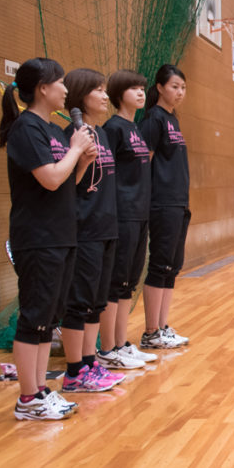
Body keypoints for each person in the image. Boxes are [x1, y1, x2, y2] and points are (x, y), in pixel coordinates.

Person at [0, 57, 94, 420]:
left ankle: (40, 391)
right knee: (34, 318)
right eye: (60, 83)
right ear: (43, 88)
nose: (66, 90)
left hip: (62, 234)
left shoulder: (54, 130)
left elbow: (68, 182)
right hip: (38, 238)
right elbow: (50, 179)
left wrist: (82, 160)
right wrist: (73, 151)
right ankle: (28, 398)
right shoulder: (26, 129)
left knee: (48, 320)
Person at [60, 69, 126, 394]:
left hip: (106, 229)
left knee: (97, 303)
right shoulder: (71, 136)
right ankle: (74, 372)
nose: (104, 96)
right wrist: (81, 160)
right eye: (97, 90)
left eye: (104, 90)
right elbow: (63, 187)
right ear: (81, 95)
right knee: (79, 301)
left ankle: (90, 362)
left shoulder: (102, 133)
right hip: (83, 230)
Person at [97, 70, 156, 371]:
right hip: (121, 214)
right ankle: (107, 348)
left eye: (142, 88)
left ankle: (121, 343)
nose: (140, 93)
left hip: (140, 213)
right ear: (119, 94)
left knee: (128, 282)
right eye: (133, 88)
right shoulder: (113, 128)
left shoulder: (136, 130)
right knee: (115, 282)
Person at [139, 64, 191, 349]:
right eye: (174, 86)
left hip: (178, 202)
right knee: (159, 265)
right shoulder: (153, 120)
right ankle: (150, 332)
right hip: (161, 203)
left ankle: (161, 326)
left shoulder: (174, 120)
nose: (179, 92)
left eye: (183, 87)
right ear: (159, 88)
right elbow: (143, 163)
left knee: (172, 266)